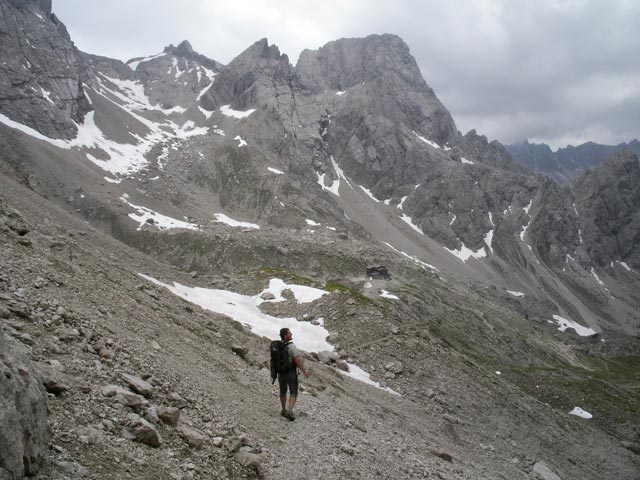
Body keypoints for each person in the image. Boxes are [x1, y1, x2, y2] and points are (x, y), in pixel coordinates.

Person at [277, 327, 310, 421]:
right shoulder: (291, 346)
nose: (291, 334)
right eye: (289, 333)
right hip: (291, 372)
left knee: (282, 391)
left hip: (281, 372)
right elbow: (296, 360)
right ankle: (289, 410)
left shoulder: (278, 346)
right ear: (285, 336)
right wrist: (304, 371)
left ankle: (283, 409)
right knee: (293, 391)